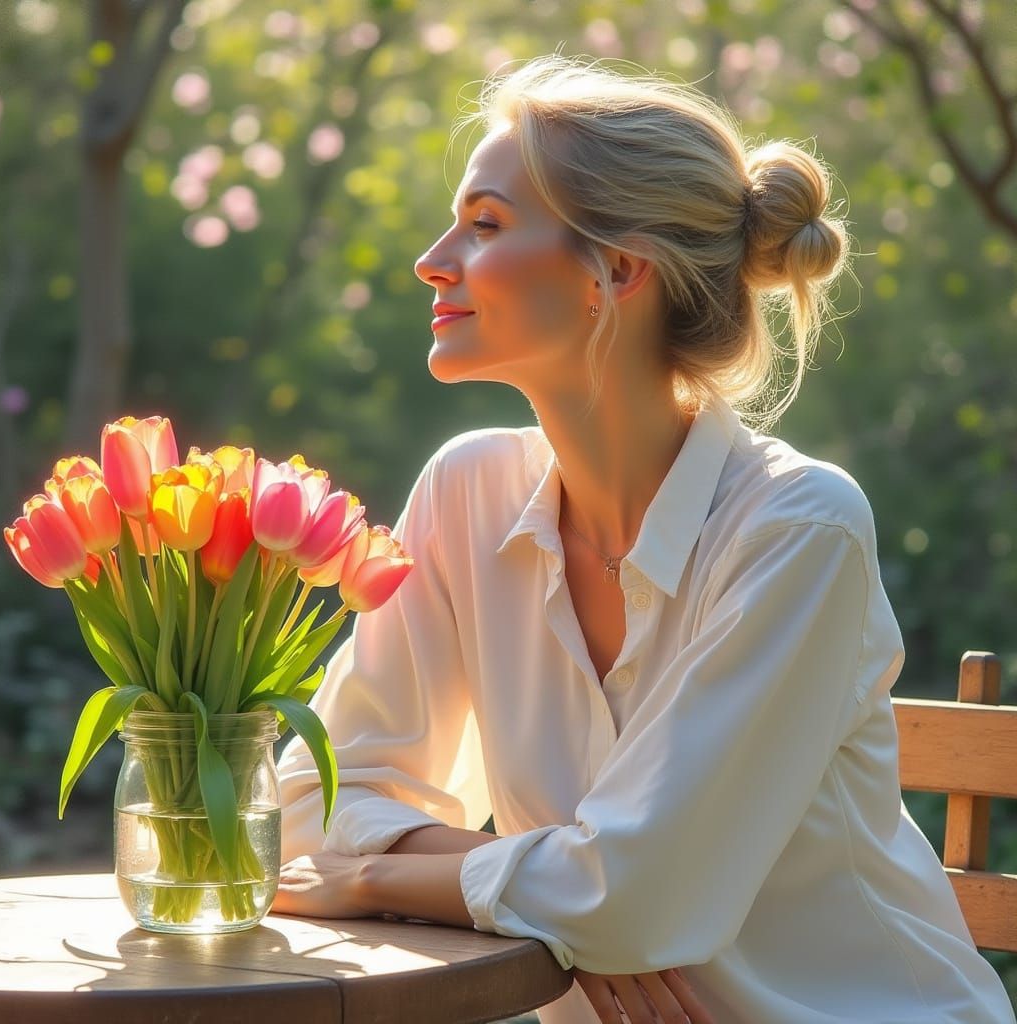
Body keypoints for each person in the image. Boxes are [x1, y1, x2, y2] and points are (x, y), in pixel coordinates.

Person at [273, 55, 1015, 1024]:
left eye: (485, 223)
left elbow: (625, 902)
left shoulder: (798, 528)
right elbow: (302, 812)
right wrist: (566, 892)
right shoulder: (465, 492)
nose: (433, 256)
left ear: (615, 272)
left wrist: (373, 880)